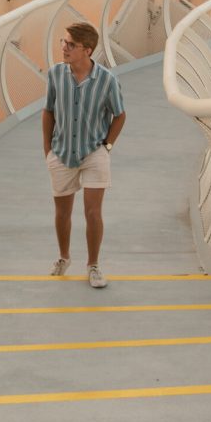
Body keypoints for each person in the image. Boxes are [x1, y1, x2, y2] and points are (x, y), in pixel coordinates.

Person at [42, 21, 126, 288]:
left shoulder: (107, 80)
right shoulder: (55, 75)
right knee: (62, 212)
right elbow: (48, 112)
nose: (64, 48)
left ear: (87, 50)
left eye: (71, 45)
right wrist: (47, 150)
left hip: (94, 151)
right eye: (63, 42)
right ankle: (63, 257)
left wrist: (108, 147)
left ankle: (93, 266)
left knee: (93, 212)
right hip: (62, 151)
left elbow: (119, 115)